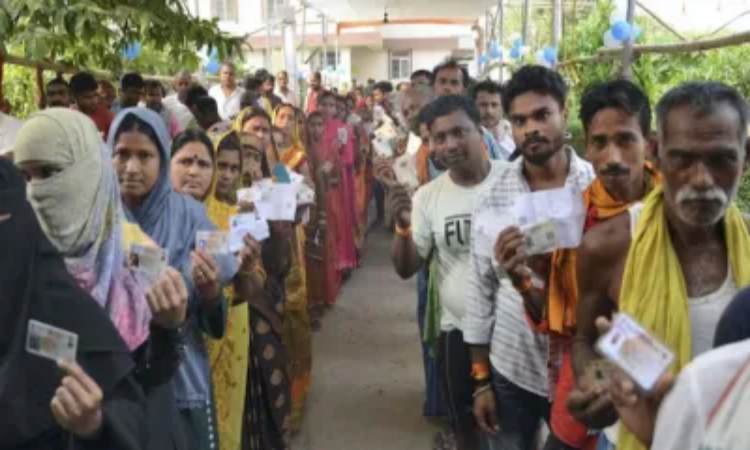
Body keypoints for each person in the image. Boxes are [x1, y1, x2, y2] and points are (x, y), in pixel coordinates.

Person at [570, 81, 750, 450]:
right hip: (636, 436)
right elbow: (587, 340)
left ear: (745, 158)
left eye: (721, 159)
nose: (701, 180)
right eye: (683, 158)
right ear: (656, 152)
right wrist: (598, 385)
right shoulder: (608, 246)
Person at [13, 108, 192, 450]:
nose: (35, 191)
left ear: (91, 171)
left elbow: (154, 375)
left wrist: (168, 327)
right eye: (25, 176)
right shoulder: (19, 254)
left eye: (50, 172)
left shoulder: (137, 254)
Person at [517, 80, 658, 450]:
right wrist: (529, 272)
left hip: (668, 372)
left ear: (650, 143)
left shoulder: (674, 214)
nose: (612, 157)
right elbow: (581, 328)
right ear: (587, 149)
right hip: (590, 368)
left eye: (626, 140)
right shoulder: (571, 218)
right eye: (600, 142)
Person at [464, 65, 595, 450]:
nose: (530, 129)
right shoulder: (492, 196)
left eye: (542, 115)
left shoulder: (595, 188)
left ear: (564, 114)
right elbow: (479, 289)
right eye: (519, 120)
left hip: (582, 365)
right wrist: (481, 380)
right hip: (513, 366)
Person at [110, 108, 238, 450]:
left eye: (145, 156)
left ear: (162, 160)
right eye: (122, 154)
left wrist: (194, 285)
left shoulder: (189, 213)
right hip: (114, 380)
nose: (132, 167)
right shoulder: (100, 217)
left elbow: (224, 259)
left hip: (182, 378)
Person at [0, 158, 147, 449]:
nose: (40, 187)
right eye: (29, 176)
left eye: (49, 173)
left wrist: (93, 427)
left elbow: (130, 417)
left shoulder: (64, 314)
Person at [384, 95, 504, 450]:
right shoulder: (429, 197)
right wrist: (403, 227)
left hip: (514, 332)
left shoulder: (513, 179)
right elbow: (407, 268)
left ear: (479, 130)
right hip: (457, 335)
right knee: (466, 431)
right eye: (439, 138)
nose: (449, 144)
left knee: (515, 432)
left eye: (459, 132)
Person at [272, 105, 315, 433]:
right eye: (280, 117)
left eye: (291, 118)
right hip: (256, 249)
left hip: (289, 241)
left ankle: (295, 398)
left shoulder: (294, 158)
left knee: (292, 312)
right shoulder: (245, 163)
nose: (285, 124)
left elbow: (306, 196)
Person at [317, 91, 359, 278]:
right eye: (323, 104)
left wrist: (333, 162)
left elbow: (349, 159)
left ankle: (339, 264)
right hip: (317, 182)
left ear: (336, 109)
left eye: (331, 105)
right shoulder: (313, 126)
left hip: (335, 184)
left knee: (337, 223)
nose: (327, 109)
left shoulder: (342, 129)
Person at [471, 80, 515, 160]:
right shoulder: (466, 136)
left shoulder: (513, 131)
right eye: (483, 105)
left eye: (494, 105)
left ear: (502, 108)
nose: (489, 111)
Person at [70, 72, 114, 139]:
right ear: (74, 97)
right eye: (87, 97)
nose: (94, 101)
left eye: (95, 95)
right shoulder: (68, 116)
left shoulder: (107, 116)